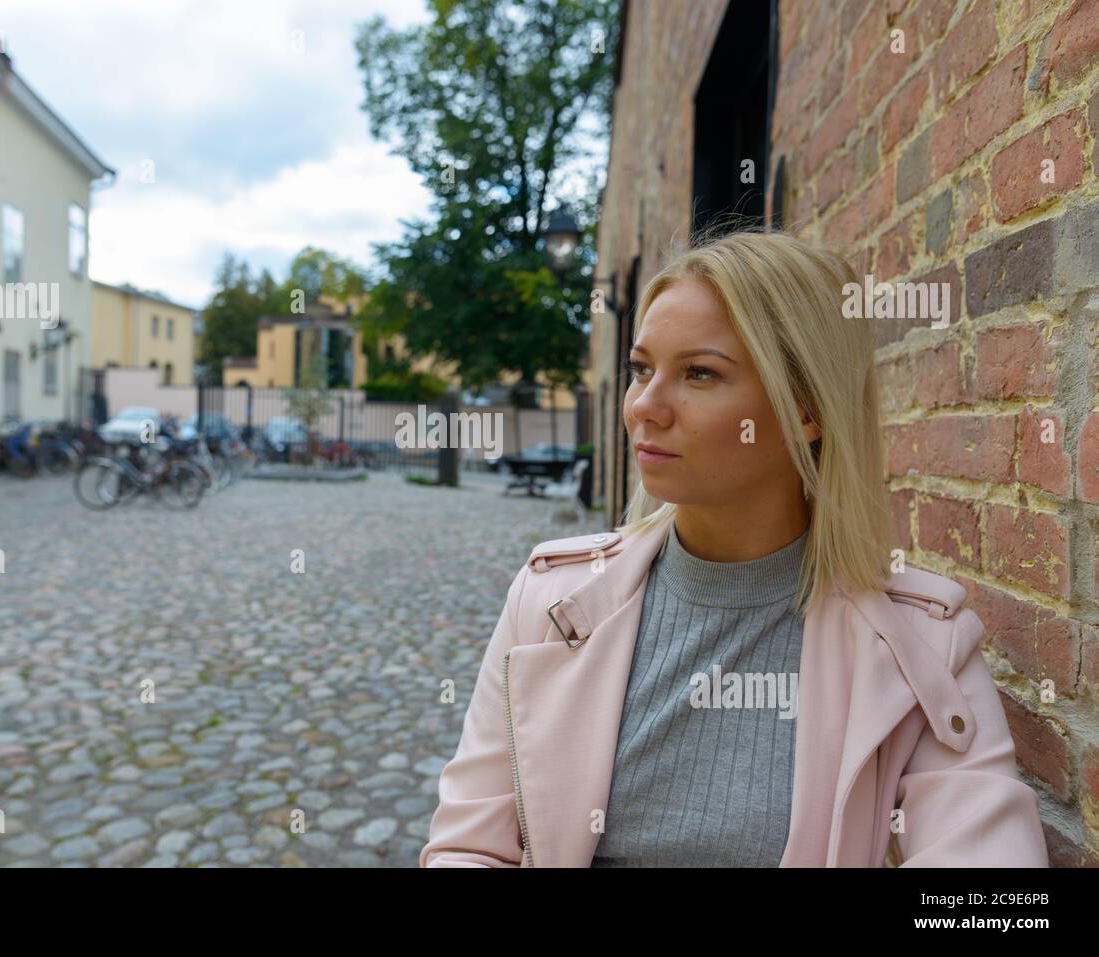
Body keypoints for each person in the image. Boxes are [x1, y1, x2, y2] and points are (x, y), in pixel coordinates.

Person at [419, 229, 1050, 867]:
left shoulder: (920, 645)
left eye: (699, 373)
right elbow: (470, 845)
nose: (645, 406)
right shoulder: (551, 598)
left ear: (808, 410)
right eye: (642, 369)